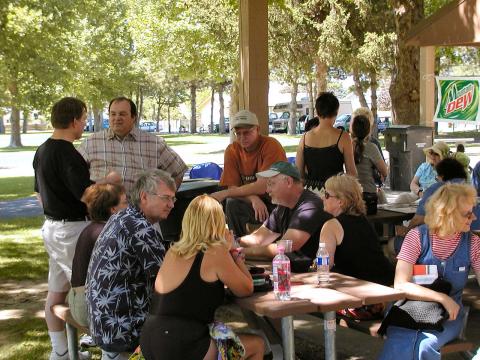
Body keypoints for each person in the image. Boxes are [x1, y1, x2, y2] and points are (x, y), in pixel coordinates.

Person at [33, 97, 119, 360]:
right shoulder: (66, 152)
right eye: (83, 118)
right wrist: (109, 182)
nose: (84, 123)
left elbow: (39, 194)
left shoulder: (42, 150)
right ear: (73, 121)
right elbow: (86, 194)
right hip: (71, 230)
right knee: (91, 289)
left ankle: (60, 351)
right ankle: (109, 351)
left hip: (51, 227)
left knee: (57, 290)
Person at [140, 195, 265, 359]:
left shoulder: (173, 251)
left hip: (151, 337)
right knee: (256, 345)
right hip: (180, 343)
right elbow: (246, 289)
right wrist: (234, 253)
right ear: (218, 223)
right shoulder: (215, 252)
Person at [378, 183, 480, 360]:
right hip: (408, 311)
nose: (474, 217)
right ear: (447, 214)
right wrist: (442, 298)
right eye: (467, 213)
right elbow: (401, 284)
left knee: (424, 344)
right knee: (404, 340)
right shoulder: (417, 237)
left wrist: (447, 303)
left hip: (448, 315)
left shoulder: (472, 243)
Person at [86, 169, 176, 360]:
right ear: (144, 197)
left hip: (102, 323)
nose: (171, 205)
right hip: (123, 329)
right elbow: (168, 283)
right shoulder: (140, 227)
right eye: (166, 198)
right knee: (191, 333)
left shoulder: (124, 216)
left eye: (173, 199)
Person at [78, 96, 187, 192]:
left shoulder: (154, 143)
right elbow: (72, 176)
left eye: (122, 114)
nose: (117, 118)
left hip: (141, 214)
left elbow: (178, 171)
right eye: (113, 114)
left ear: (133, 117)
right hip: (101, 213)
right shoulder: (90, 143)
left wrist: (167, 199)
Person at [210, 110, 287, 236]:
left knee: (229, 197)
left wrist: (224, 193)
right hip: (255, 203)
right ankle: (238, 246)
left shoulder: (271, 146)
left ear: (258, 129)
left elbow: (263, 186)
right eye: (238, 133)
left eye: (246, 133)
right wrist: (253, 198)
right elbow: (232, 186)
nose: (242, 138)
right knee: (232, 203)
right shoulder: (232, 150)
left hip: (276, 202)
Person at [239, 161, 331, 260]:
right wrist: (232, 242)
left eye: (271, 184)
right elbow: (258, 239)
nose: (267, 190)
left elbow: (283, 248)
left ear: (288, 182)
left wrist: (239, 252)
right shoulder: (282, 207)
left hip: (324, 272)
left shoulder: (310, 206)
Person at [67, 183, 128, 328]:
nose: (129, 207)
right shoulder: (106, 233)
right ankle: (111, 350)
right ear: (113, 209)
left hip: (78, 301)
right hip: (88, 308)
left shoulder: (92, 229)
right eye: (125, 203)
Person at [319, 174, 394, 286]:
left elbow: (324, 266)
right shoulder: (363, 220)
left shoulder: (330, 226)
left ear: (341, 201)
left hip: (361, 288)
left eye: (326, 195)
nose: (322, 197)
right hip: (385, 281)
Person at [295, 92, 357, 191]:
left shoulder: (305, 138)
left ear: (317, 111)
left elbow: (299, 173)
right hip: (335, 193)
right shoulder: (343, 137)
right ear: (336, 112)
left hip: (311, 194)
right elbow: (352, 174)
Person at [351, 114, 388, 215]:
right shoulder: (371, 147)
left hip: (349, 194)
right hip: (367, 195)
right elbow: (384, 171)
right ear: (369, 130)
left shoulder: (347, 145)